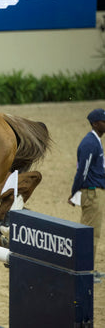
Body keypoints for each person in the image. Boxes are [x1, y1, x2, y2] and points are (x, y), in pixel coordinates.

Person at [68, 108, 105, 265]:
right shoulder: (90, 143)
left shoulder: (95, 141)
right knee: (90, 233)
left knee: (91, 233)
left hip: (94, 192)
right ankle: (86, 269)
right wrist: (74, 191)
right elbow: (82, 171)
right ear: (96, 124)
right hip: (92, 193)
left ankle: (85, 268)